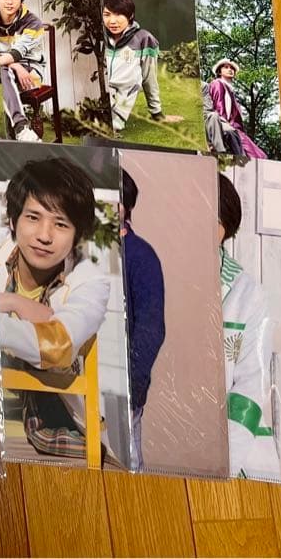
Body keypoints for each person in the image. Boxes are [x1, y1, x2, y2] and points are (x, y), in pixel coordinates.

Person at [0, 156, 110, 461]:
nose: (44, 236)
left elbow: (59, 346)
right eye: (33, 217)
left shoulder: (90, 281)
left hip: (58, 432)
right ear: (13, 220)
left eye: (60, 224)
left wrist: (0, 308)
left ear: (77, 234)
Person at [216, 173, 274, 477]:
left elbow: (252, 384)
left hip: (229, 450)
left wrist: (224, 462)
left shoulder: (247, 293)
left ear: (226, 227)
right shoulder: (160, 276)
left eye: (212, 219)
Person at [119, 170, 165, 471]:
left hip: (124, 388)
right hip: (83, 386)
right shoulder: (81, 248)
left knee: (128, 466)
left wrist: (131, 385)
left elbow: (151, 327)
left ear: (124, 207)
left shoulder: (140, 255)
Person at [102, 0, 181, 132]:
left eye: (118, 14)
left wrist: (157, 113)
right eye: (107, 15)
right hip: (101, 95)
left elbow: (149, 77)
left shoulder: (144, 39)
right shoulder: (98, 38)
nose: (112, 21)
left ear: (130, 15)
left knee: (110, 127)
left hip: (123, 96)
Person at [0, 0, 45, 142]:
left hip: (31, 72)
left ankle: (20, 127)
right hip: (8, 70)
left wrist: (13, 63)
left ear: (21, 0)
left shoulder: (33, 22)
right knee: (2, 72)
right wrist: (15, 66)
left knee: (1, 73)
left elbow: (15, 54)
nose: (9, 2)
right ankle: (19, 129)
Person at [206, 59, 267, 160]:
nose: (230, 70)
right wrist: (225, 125)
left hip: (236, 129)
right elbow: (218, 105)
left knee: (259, 155)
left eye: (232, 68)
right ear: (219, 72)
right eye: (226, 67)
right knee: (256, 155)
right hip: (225, 126)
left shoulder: (230, 90)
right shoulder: (218, 83)